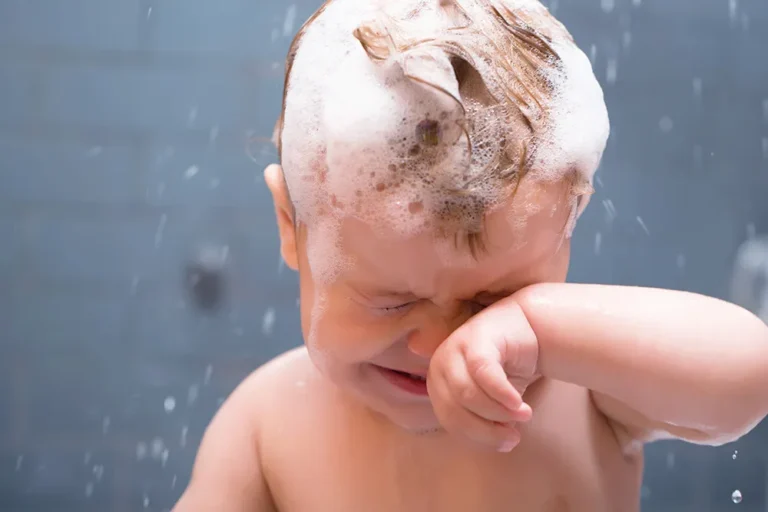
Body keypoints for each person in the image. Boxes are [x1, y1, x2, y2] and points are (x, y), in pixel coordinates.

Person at [174, 0, 768, 510]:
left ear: (567, 232)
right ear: (290, 226)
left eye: (494, 301)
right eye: (391, 303)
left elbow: (750, 376)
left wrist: (537, 332)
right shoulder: (267, 426)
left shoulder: (584, 388)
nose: (439, 347)